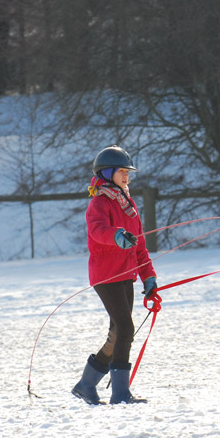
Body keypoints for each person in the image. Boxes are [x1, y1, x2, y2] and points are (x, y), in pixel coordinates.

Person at [71, 145, 158, 405]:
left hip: (126, 275)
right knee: (125, 328)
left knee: (116, 333)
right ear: (107, 173)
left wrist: (149, 277)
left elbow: (140, 246)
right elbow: (98, 230)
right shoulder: (99, 202)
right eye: (122, 171)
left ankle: (86, 385)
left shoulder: (128, 204)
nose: (127, 176)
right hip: (106, 276)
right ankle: (120, 393)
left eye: (128, 171)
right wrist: (116, 235)